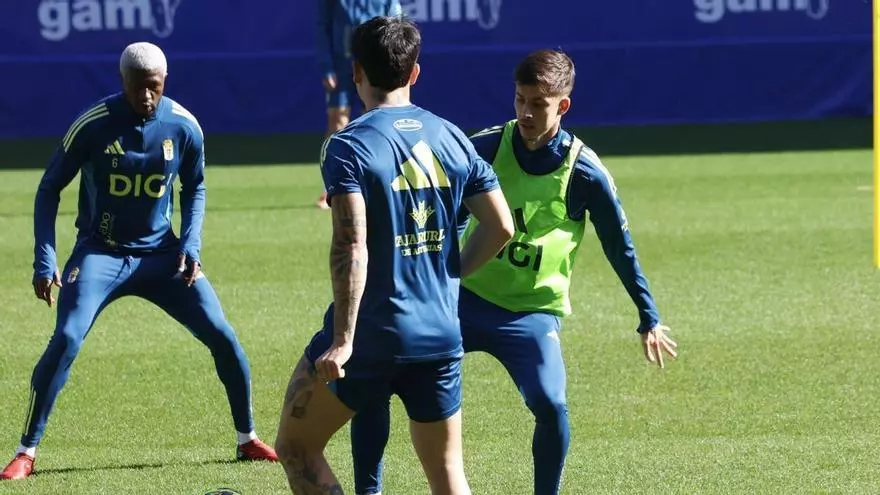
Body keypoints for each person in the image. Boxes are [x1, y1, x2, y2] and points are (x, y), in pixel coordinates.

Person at [349, 49, 679, 495]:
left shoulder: (584, 172)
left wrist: (648, 316)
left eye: (538, 104)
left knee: (551, 404)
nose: (525, 112)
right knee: (378, 373)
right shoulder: (484, 147)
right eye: (520, 99)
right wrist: (437, 280)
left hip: (531, 313)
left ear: (563, 106)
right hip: (463, 300)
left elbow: (619, 246)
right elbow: (450, 217)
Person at [0, 42, 278, 481]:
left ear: (164, 81)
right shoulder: (94, 124)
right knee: (67, 337)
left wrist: (191, 244)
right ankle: (25, 452)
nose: (146, 96)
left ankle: (248, 438)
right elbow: (49, 187)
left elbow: (195, 187)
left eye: (154, 87)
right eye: (137, 87)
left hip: (163, 256)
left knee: (223, 335)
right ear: (122, 81)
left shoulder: (183, 125)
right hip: (100, 252)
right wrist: (44, 257)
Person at [273, 16, 514, 495]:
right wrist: (450, 276)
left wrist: (343, 340)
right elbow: (501, 226)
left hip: (374, 334)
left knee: (297, 446)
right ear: (415, 72)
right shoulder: (452, 136)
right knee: (447, 473)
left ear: (356, 71)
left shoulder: (347, 145)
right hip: (440, 332)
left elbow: (351, 244)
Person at [314, 0, 403, 209]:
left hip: (374, 65)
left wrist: (390, 65)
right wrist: (326, 66)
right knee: (337, 122)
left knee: (376, 122)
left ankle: (378, 184)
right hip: (341, 65)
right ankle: (332, 187)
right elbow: (322, 26)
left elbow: (395, 28)